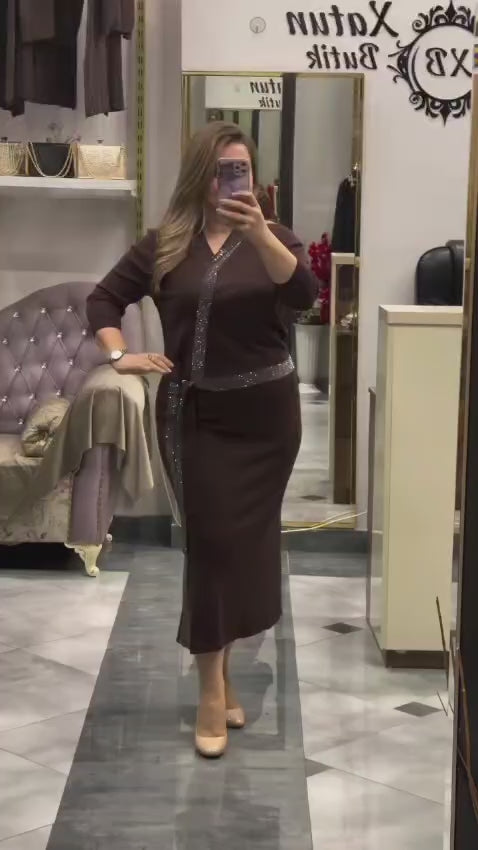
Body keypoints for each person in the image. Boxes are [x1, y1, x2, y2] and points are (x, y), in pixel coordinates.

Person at [86, 121, 317, 758]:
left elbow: (304, 295)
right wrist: (121, 356)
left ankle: (223, 668)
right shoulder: (165, 245)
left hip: (267, 421)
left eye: (241, 170)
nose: (230, 182)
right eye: (220, 170)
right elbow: (103, 301)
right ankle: (212, 690)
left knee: (244, 551)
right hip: (194, 417)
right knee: (212, 547)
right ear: (199, 176)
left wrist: (260, 233)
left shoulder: (276, 237)